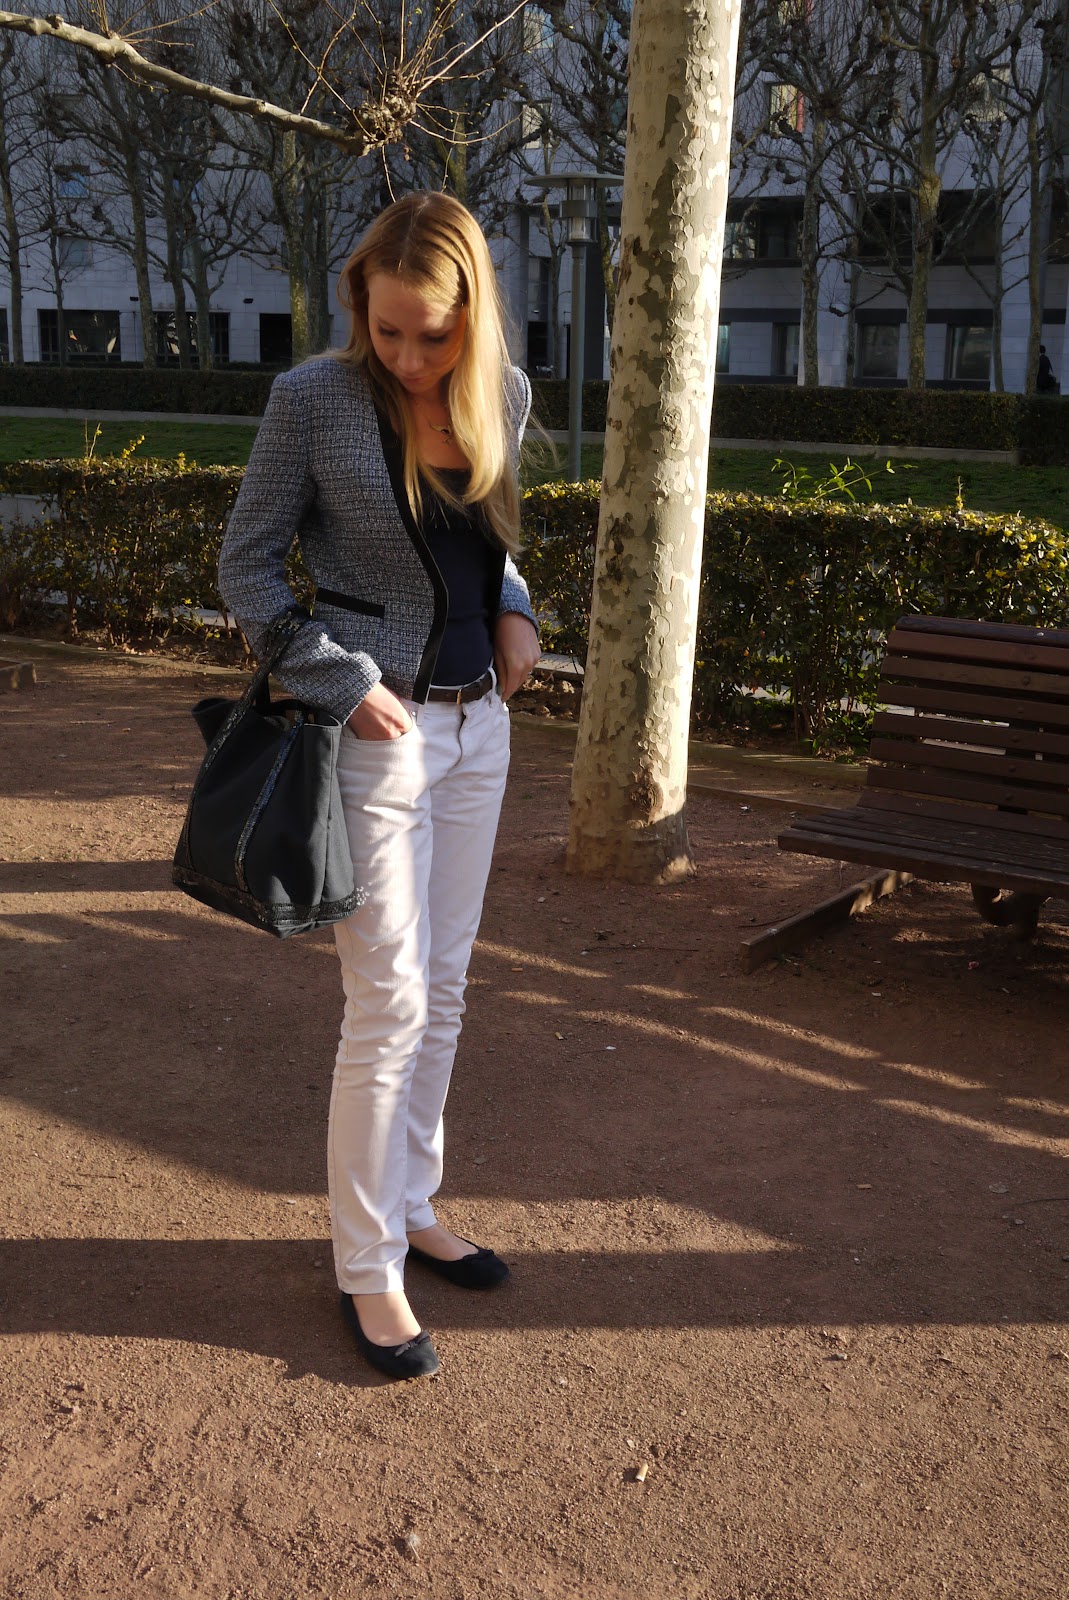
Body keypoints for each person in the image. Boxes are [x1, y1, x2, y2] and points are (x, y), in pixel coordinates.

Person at [218, 192, 541, 1380]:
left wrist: (516, 611)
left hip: (478, 729)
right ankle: (366, 1265)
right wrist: (341, 679)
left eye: (431, 335)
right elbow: (246, 567)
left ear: (473, 317)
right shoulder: (312, 400)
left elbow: (488, 544)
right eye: (387, 328)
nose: (407, 356)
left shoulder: (502, 395)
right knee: (390, 1000)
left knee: (444, 989)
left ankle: (412, 1207)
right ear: (361, 303)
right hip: (374, 732)